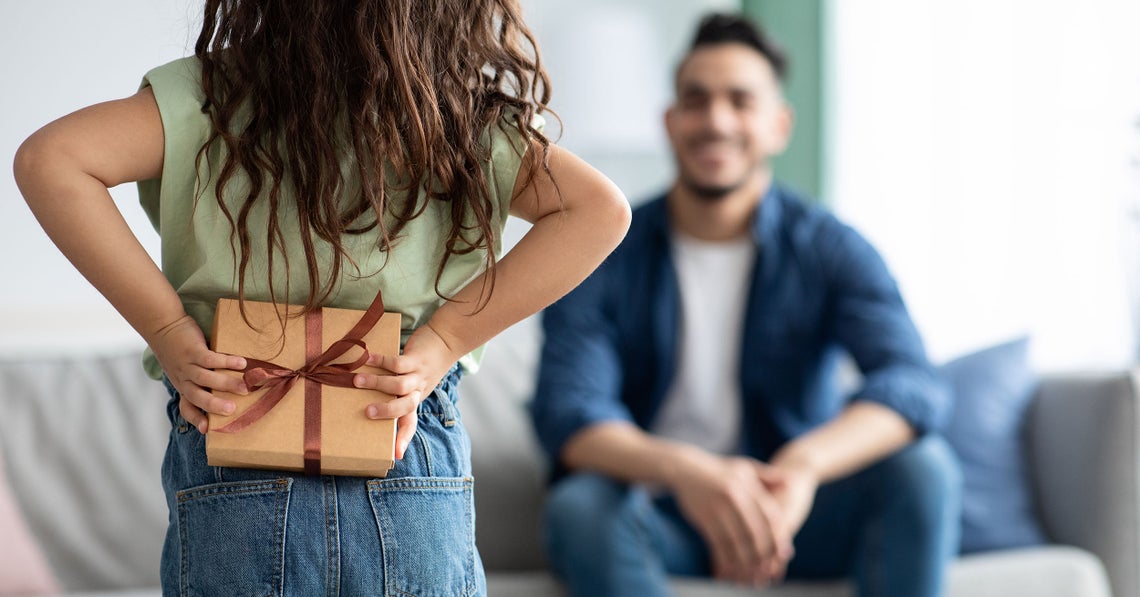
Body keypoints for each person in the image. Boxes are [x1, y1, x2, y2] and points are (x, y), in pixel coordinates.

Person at [14, 1, 630, 594]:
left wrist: (170, 330)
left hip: (237, 413)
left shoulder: (209, 96)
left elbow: (51, 159)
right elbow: (599, 211)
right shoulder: (451, 113)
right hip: (400, 422)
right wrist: (445, 342)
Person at [532, 13, 960, 597]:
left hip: (793, 518)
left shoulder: (831, 248)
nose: (716, 120)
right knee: (579, 506)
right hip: (662, 515)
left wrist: (803, 466)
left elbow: (913, 383)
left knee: (923, 469)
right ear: (670, 120)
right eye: (697, 100)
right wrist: (691, 473)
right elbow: (570, 413)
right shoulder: (604, 250)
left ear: (779, 125)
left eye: (741, 101)